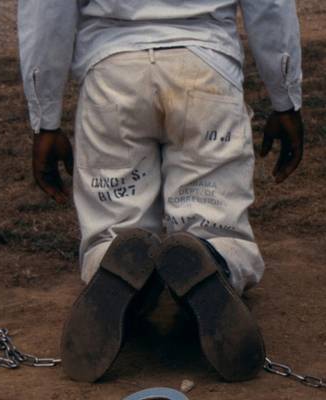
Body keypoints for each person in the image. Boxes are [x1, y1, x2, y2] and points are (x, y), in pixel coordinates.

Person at [17, 0, 305, 382]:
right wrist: (285, 99)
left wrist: (45, 120)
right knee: (216, 224)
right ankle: (210, 257)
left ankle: (118, 267)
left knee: (114, 226)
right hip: (205, 68)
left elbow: (46, 11)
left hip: (112, 74)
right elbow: (270, 5)